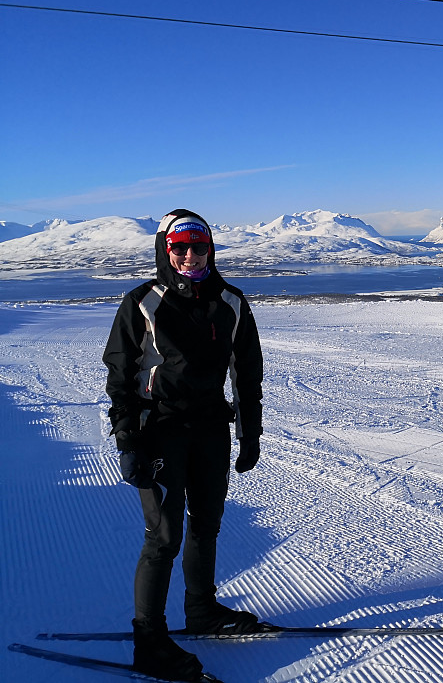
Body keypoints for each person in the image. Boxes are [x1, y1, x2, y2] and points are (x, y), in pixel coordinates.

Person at [103, 209, 265, 681]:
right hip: (160, 430)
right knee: (164, 536)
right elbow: (120, 376)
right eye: (180, 247)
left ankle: (201, 610)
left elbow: (247, 374)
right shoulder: (143, 302)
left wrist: (249, 433)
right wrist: (128, 440)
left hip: (210, 428)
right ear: (165, 250)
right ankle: (149, 640)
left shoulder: (230, 302)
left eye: (199, 247)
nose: (190, 256)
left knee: (207, 524)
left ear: (211, 249)